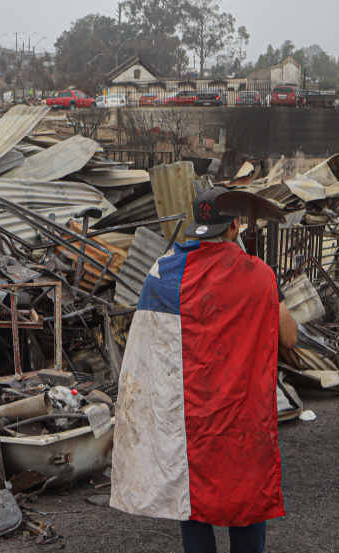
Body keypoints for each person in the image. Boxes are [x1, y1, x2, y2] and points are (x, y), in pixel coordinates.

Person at [110, 187, 298, 553]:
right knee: (246, 506)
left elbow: (147, 353)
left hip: (189, 423)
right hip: (243, 423)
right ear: (235, 227)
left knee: (192, 505)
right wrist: (262, 278)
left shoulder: (163, 273)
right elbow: (288, 338)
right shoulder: (258, 275)